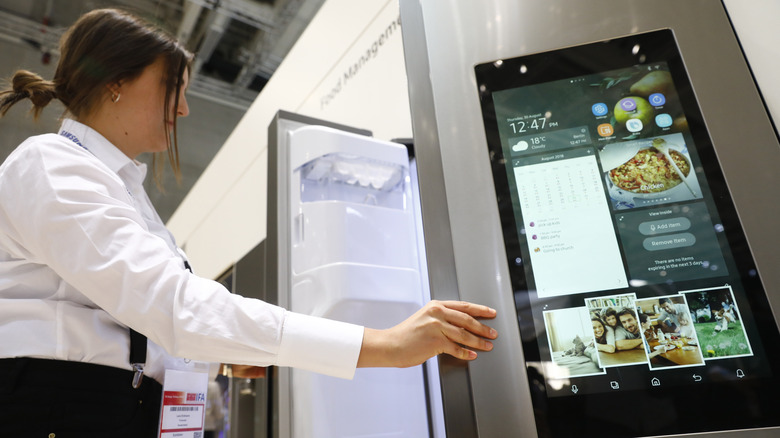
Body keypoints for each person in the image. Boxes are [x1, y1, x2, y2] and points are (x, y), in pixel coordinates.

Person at [0, 9, 498, 437]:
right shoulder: (52, 164)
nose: (184, 108)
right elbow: (172, 305)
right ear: (114, 83)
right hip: (62, 408)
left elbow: (130, 320)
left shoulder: (117, 187)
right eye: (172, 88)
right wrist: (385, 345)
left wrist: (215, 357)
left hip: (103, 408)